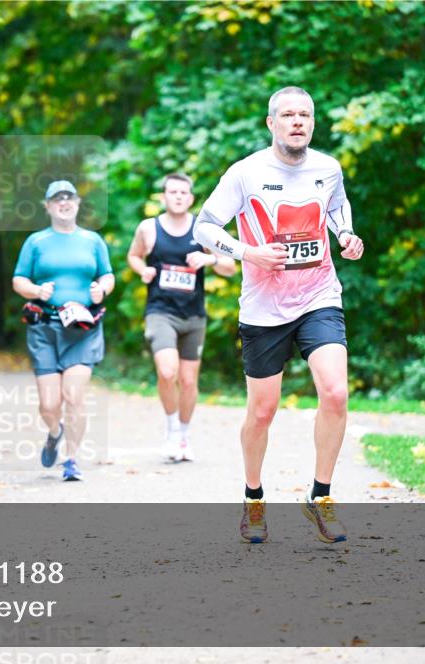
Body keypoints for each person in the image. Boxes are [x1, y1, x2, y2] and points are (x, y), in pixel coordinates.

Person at [193, 86, 365, 544]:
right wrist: (247, 252)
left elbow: (336, 207)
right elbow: (204, 227)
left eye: (305, 114)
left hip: (318, 297)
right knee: (262, 412)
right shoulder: (245, 173)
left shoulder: (328, 168)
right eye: (288, 115)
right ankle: (253, 497)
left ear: (313, 122)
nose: (297, 122)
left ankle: (321, 496)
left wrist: (346, 235)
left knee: (335, 393)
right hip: (264, 308)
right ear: (271, 123)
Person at [127, 173, 236, 462]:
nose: (177, 196)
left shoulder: (203, 229)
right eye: (172, 192)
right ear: (164, 196)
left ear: (191, 198)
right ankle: (172, 430)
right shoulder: (148, 228)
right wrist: (143, 270)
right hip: (160, 312)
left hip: (193, 315)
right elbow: (134, 256)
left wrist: (209, 258)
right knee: (167, 372)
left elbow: (230, 266)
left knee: (188, 381)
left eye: (183, 192)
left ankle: (184, 436)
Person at [12, 180, 115, 482]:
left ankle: (71, 459)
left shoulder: (92, 241)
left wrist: (101, 290)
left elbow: (107, 275)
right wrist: (36, 291)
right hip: (45, 328)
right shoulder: (36, 242)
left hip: (82, 329)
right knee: (49, 404)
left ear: (78, 203)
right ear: (47, 206)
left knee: (74, 395)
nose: (64, 203)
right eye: (57, 199)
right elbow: (19, 280)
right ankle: (55, 432)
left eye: (69, 198)